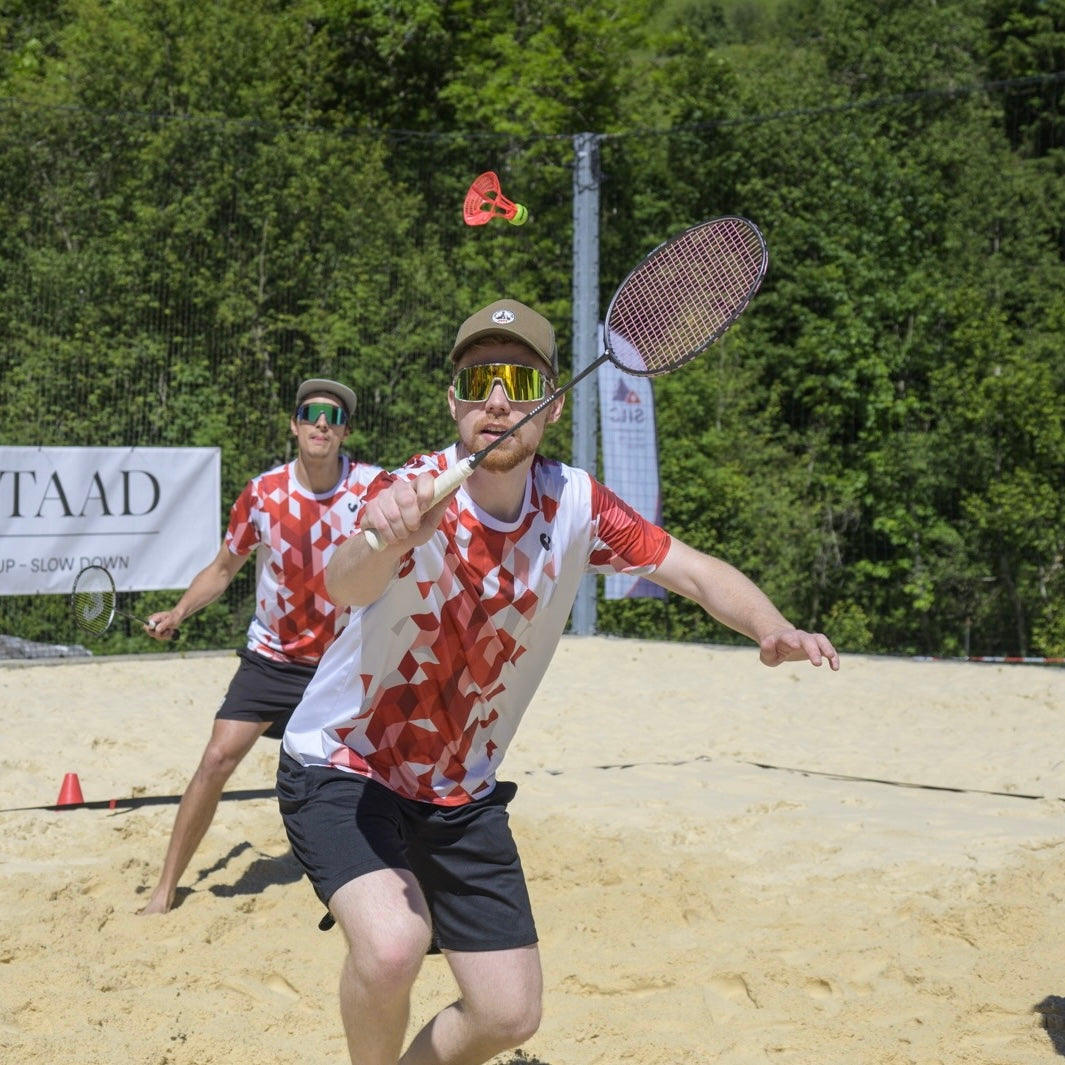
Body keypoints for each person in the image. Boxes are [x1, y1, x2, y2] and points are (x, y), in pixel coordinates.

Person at [276, 300, 841, 1064]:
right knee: (393, 943)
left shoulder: (576, 504)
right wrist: (384, 533)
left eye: (518, 379)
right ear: (453, 402)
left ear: (553, 399)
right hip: (345, 762)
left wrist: (770, 626)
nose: (498, 400)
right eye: (479, 381)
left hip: (458, 789)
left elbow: (692, 571)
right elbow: (347, 582)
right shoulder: (417, 491)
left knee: (508, 1013)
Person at [137, 378, 382, 916]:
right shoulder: (263, 492)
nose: (322, 422)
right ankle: (166, 888)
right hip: (273, 658)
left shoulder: (371, 490)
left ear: (345, 433)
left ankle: (393, 884)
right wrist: (178, 613)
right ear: (294, 424)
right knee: (216, 759)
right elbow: (223, 570)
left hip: (343, 663)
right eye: (311, 413)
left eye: (334, 416)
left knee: (380, 776)